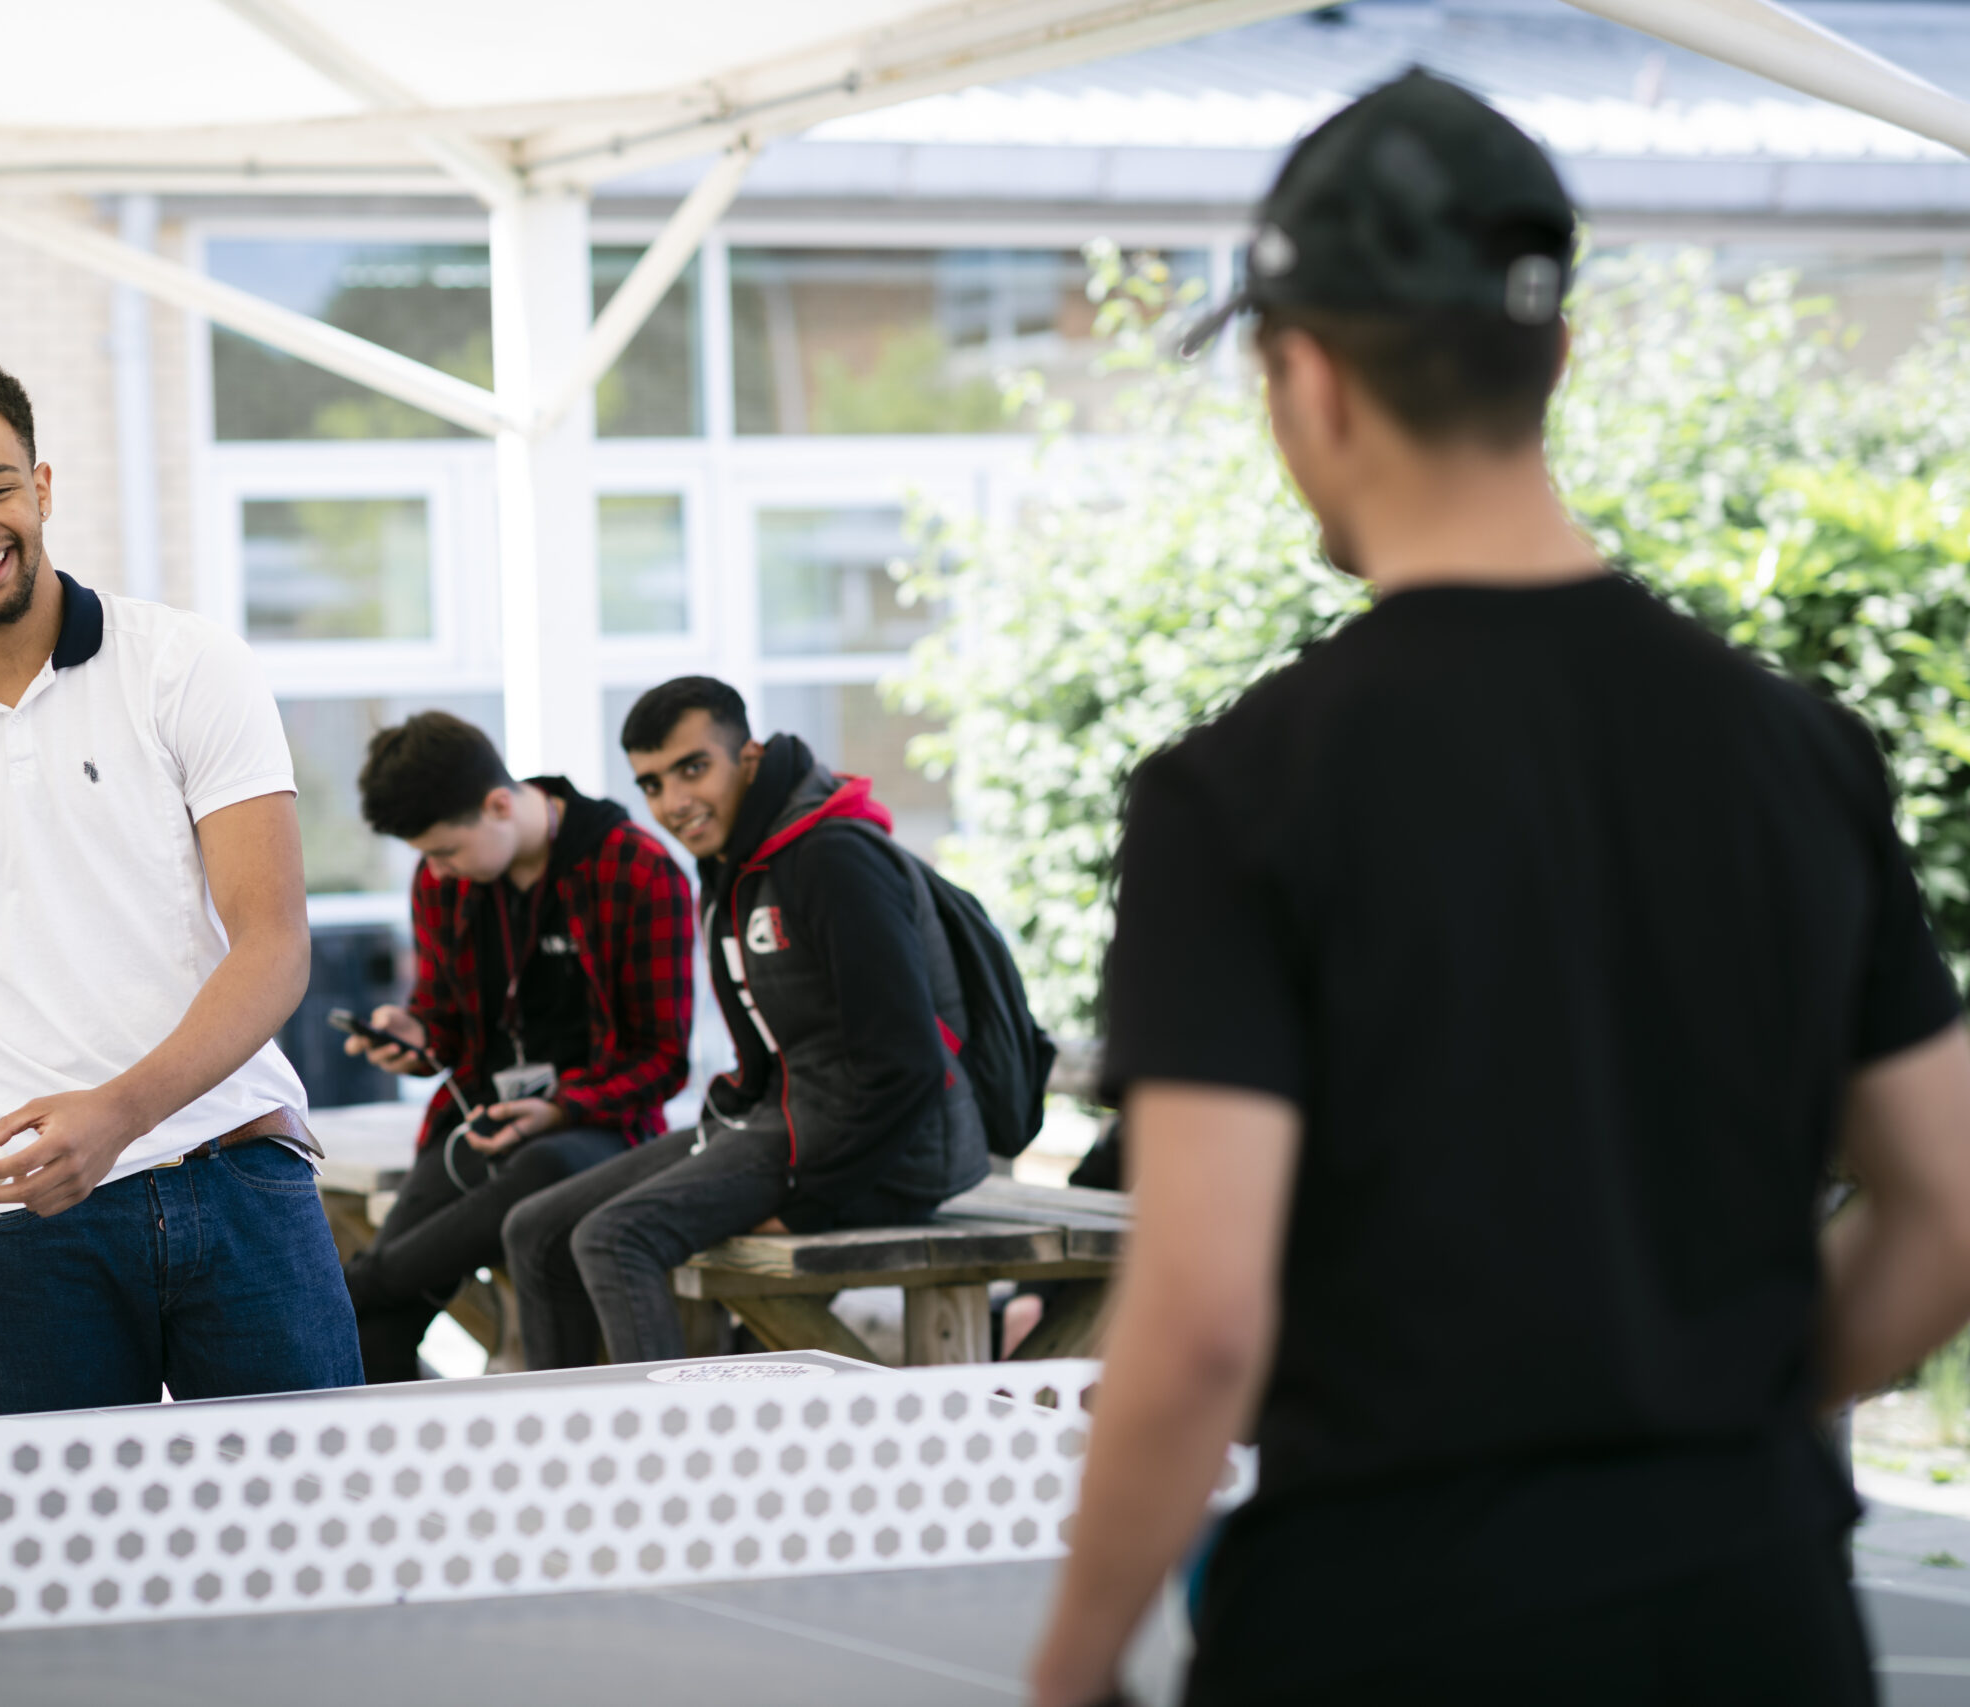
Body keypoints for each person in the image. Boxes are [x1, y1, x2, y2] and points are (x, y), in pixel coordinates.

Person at [1029, 73, 1970, 1707]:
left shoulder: (1241, 795)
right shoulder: (1799, 750)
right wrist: (1707, 1413)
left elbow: (1195, 1324)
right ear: (1560, 355)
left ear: (1306, 375)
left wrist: (1070, 1667)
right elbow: (1949, 1204)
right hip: (1759, 1622)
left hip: (1395, 1628)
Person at [0, 353, 361, 1414]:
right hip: (24, 1238)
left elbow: (273, 946)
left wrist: (115, 1117)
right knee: (54, 1578)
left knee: (309, 1559)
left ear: (43, 487)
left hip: (235, 1182)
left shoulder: (187, 667)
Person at [502, 677, 991, 1366]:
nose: (674, 802)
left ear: (750, 756)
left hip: (888, 1152)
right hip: (787, 1118)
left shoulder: (831, 856)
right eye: (651, 783)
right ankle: (567, 1454)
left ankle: (670, 1468)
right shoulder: (735, 862)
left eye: (692, 768)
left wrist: (811, 1205)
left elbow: (908, 1065)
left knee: (614, 1238)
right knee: (534, 1227)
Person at [339, 711, 694, 1381]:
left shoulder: (638, 870)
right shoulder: (443, 880)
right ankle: (393, 1468)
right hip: (475, 1130)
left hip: (599, 1134)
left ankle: (360, 1281)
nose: (437, 870)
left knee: (547, 1167)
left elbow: (663, 1057)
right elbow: (442, 1022)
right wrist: (414, 1038)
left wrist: (561, 1108)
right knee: (371, 1327)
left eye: (446, 851)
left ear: (500, 804)